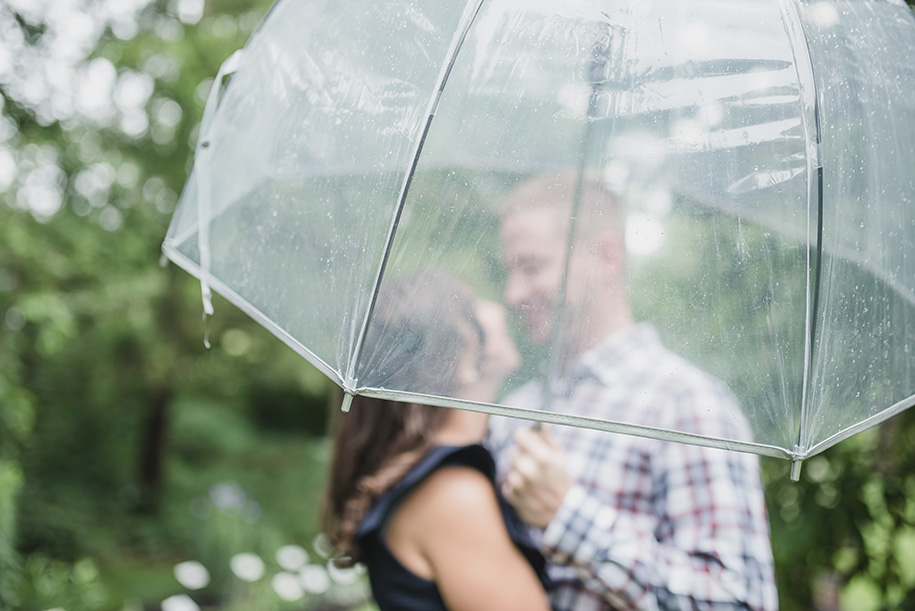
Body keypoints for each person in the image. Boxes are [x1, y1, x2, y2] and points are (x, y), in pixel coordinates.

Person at [487, 172, 779, 610]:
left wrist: (567, 517)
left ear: (607, 256)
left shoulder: (688, 405)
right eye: (509, 270)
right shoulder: (510, 412)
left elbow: (737, 601)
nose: (513, 293)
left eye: (532, 266)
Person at [322, 271, 552, 611]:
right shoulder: (454, 494)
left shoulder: (435, 477)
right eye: (472, 307)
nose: (496, 307)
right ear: (460, 358)